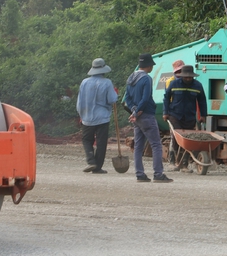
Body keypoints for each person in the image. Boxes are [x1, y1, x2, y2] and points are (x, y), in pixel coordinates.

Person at [125, 53, 173, 183]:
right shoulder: (146, 78)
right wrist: (139, 110)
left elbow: (127, 98)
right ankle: (158, 174)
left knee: (138, 146)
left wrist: (134, 110)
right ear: (149, 65)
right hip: (146, 115)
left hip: (138, 117)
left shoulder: (131, 77)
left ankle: (139, 174)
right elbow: (146, 98)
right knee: (156, 144)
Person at [76, 58, 118, 174]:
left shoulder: (84, 82)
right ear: (103, 70)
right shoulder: (107, 82)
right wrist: (115, 94)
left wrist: (81, 114)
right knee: (101, 142)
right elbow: (112, 99)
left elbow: (79, 102)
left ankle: (91, 161)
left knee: (86, 140)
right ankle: (98, 167)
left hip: (87, 117)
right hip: (102, 118)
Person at [163, 65, 208, 172]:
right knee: (177, 137)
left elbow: (202, 101)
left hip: (190, 116)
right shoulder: (174, 84)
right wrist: (165, 112)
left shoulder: (198, 86)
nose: (188, 79)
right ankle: (172, 162)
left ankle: (184, 164)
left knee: (188, 140)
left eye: (190, 77)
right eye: (186, 77)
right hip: (175, 115)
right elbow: (166, 98)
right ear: (182, 76)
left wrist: (203, 115)